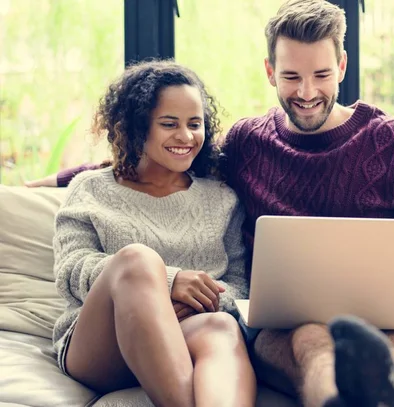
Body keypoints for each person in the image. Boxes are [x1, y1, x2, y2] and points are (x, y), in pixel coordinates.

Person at [28, 1, 394, 406]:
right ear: (270, 71)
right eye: (292, 76)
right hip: (294, 320)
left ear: (342, 67)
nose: (307, 91)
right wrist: (65, 178)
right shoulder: (248, 143)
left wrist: (390, 293)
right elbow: (166, 155)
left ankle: (388, 392)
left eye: (322, 75)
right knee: (313, 346)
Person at [50, 60, 256, 407]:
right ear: (137, 127)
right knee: (138, 259)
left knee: (222, 327)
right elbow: (71, 270)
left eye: (195, 124)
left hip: (187, 330)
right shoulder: (90, 189)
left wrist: (194, 303)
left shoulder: (221, 199)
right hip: (102, 346)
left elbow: (240, 287)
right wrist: (167, 282)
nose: (186, 136)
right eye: (169, 124)